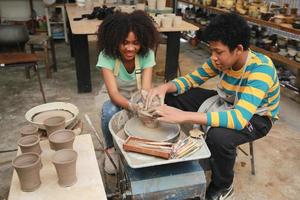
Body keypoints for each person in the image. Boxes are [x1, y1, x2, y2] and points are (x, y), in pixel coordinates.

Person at [146, 13, 279, 200]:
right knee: (173, 96)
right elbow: (191, 79)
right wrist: (164, 87)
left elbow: (239, 118)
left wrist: (185, 116)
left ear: (238, 49)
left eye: (218, 52)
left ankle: (223, 186)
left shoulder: (261, 70)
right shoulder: (221, 61)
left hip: (256, 117)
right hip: (228, 102)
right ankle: (180, 149)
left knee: (219, 137)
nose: (214, 57)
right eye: (212, 51)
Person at [96, 10, 159, 174]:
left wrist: (144, 106)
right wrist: (131, 106)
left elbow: (145, 89)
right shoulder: (107, 56)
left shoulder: (147, 55)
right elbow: (114, 94)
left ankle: (138, 144)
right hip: (115, 97)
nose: (130, 48)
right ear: (114, 40)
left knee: (151, 110)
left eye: (135, 43)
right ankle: (110, 148)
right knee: (109, 111)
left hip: (137, 95)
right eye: (124, 43)